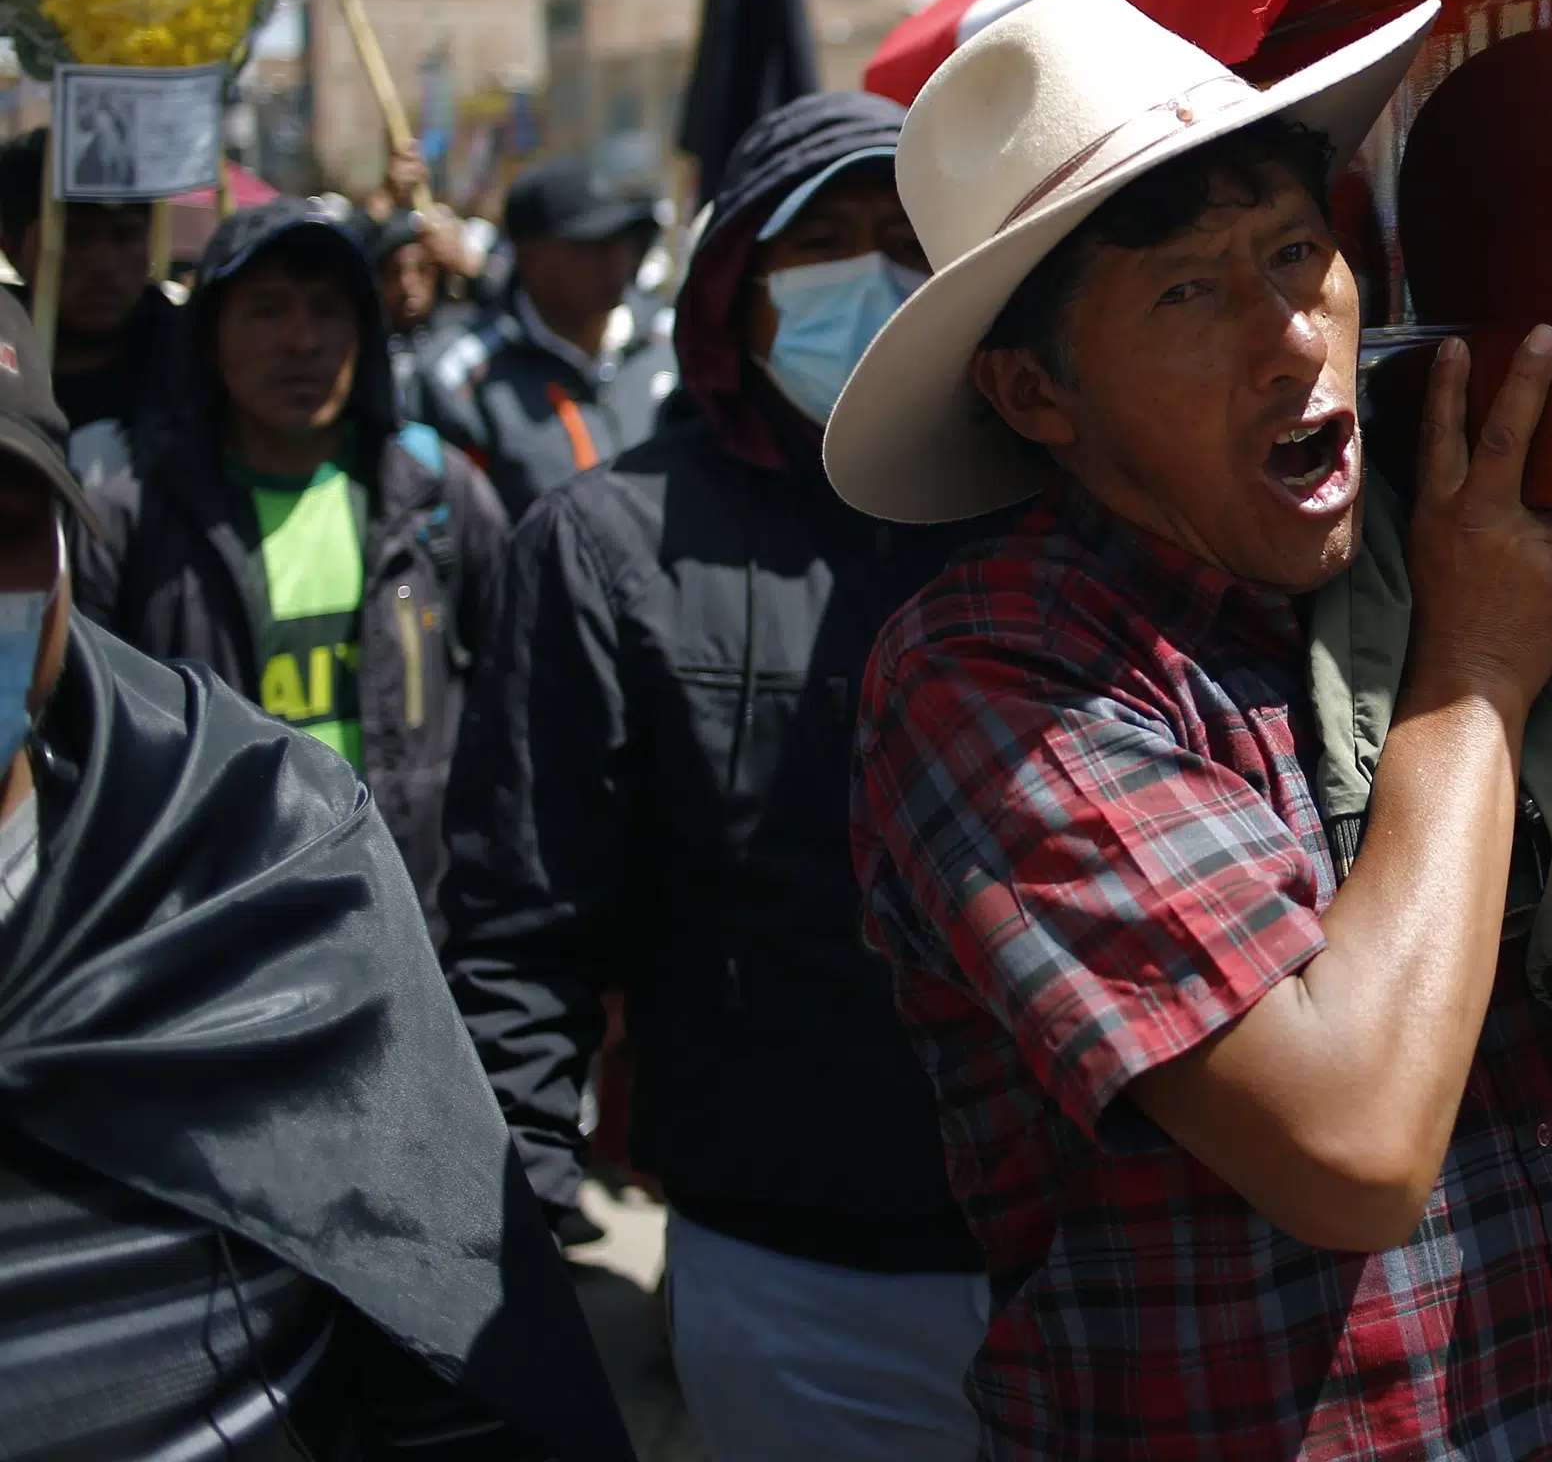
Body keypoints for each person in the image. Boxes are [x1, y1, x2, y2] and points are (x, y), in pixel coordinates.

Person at [832, 0, 1552, 1457]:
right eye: (1187, 294)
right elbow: (1354, 1154)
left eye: (1294, 252)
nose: (1290, 338)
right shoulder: (998, 675)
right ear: (1033, 393)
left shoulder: (1432, 559)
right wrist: (1473, 677)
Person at [439, 95, 989, 1461]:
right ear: (738, 292)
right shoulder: (605, 549)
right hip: (792, 1274)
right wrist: (494, 1271)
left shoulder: (1050, 507)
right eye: (823, 246)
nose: (869, 277)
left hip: (1092, 1249)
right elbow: (521, 933)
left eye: (903, 240)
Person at [0, 284, 631, 1462]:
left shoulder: (270, 844)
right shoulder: (153, 508)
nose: (302, 343)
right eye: (267, 313)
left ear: (58, 557)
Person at [73, 201, 509, 940]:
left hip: (413, 937)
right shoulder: (129, 523)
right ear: (209, 338)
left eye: (328, 310)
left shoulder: (443, 500)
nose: (302, 341)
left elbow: (513, 724)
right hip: (215, 951)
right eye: (266, 311)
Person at [416, 156, 673, 517]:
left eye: (625, 241)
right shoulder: (462, 381)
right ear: (528, 258)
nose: (615, 261)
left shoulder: (675, 347)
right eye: (589, 245)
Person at [0, 126, 175, 481]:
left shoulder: (197, 362)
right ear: (12, 247)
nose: (104, 265)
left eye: (124, 236)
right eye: (73, 237)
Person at [365, 204, 484, 419]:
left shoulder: (465, 332)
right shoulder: (366, 341)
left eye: (422, 270)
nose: (407, 284)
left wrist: (471, 272)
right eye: (394, 272)